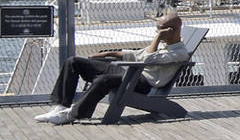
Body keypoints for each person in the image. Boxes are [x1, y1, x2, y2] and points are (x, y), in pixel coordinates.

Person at [35, 8, 192, 125]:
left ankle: (71, 114)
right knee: (73, 62)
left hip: (143, 83)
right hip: (131, 72)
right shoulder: (164, 44)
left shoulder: (179, 53)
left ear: (170, 30)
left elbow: (147, 59)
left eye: (159, 29)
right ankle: (60, 105)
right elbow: (136, 54)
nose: (157, 32)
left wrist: (157, 38)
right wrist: (107, 54)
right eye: (157, 29)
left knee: (104, 80)